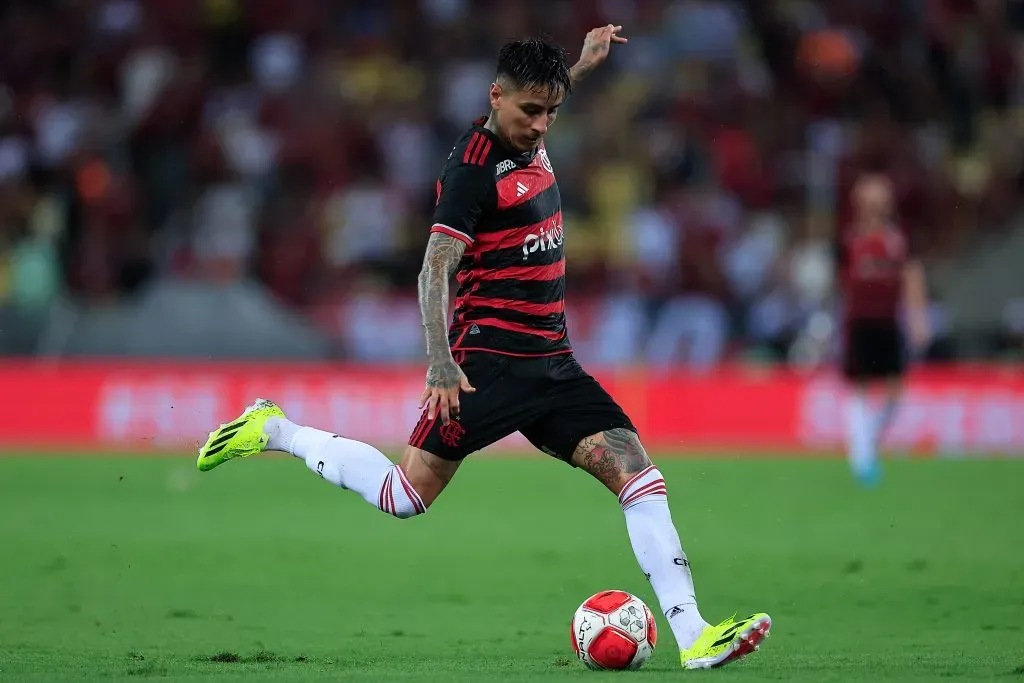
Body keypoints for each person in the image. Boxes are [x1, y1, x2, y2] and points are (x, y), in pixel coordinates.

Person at [197, 27, 770, 669]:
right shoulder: (471, 171)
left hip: (553, 362)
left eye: (552, 110)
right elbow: (433, 269)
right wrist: (441, 361)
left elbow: (549, 93)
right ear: (496, 97)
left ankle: (693, 634)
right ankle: (277, 431)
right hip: (485, 369)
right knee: (404, 497)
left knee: (639, 474)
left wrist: (580, 64)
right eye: (531, 111)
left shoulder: (533, 120)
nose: (542, 124)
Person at [838, 173, 931, 485]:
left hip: (888, 321)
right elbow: (839, 282)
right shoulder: (849, 239)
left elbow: (911, 275)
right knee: (860, 386)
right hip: (859, 321)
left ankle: (867, 442)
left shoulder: (898, 239)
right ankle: (861, 457)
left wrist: (918, 317)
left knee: (895, 390)